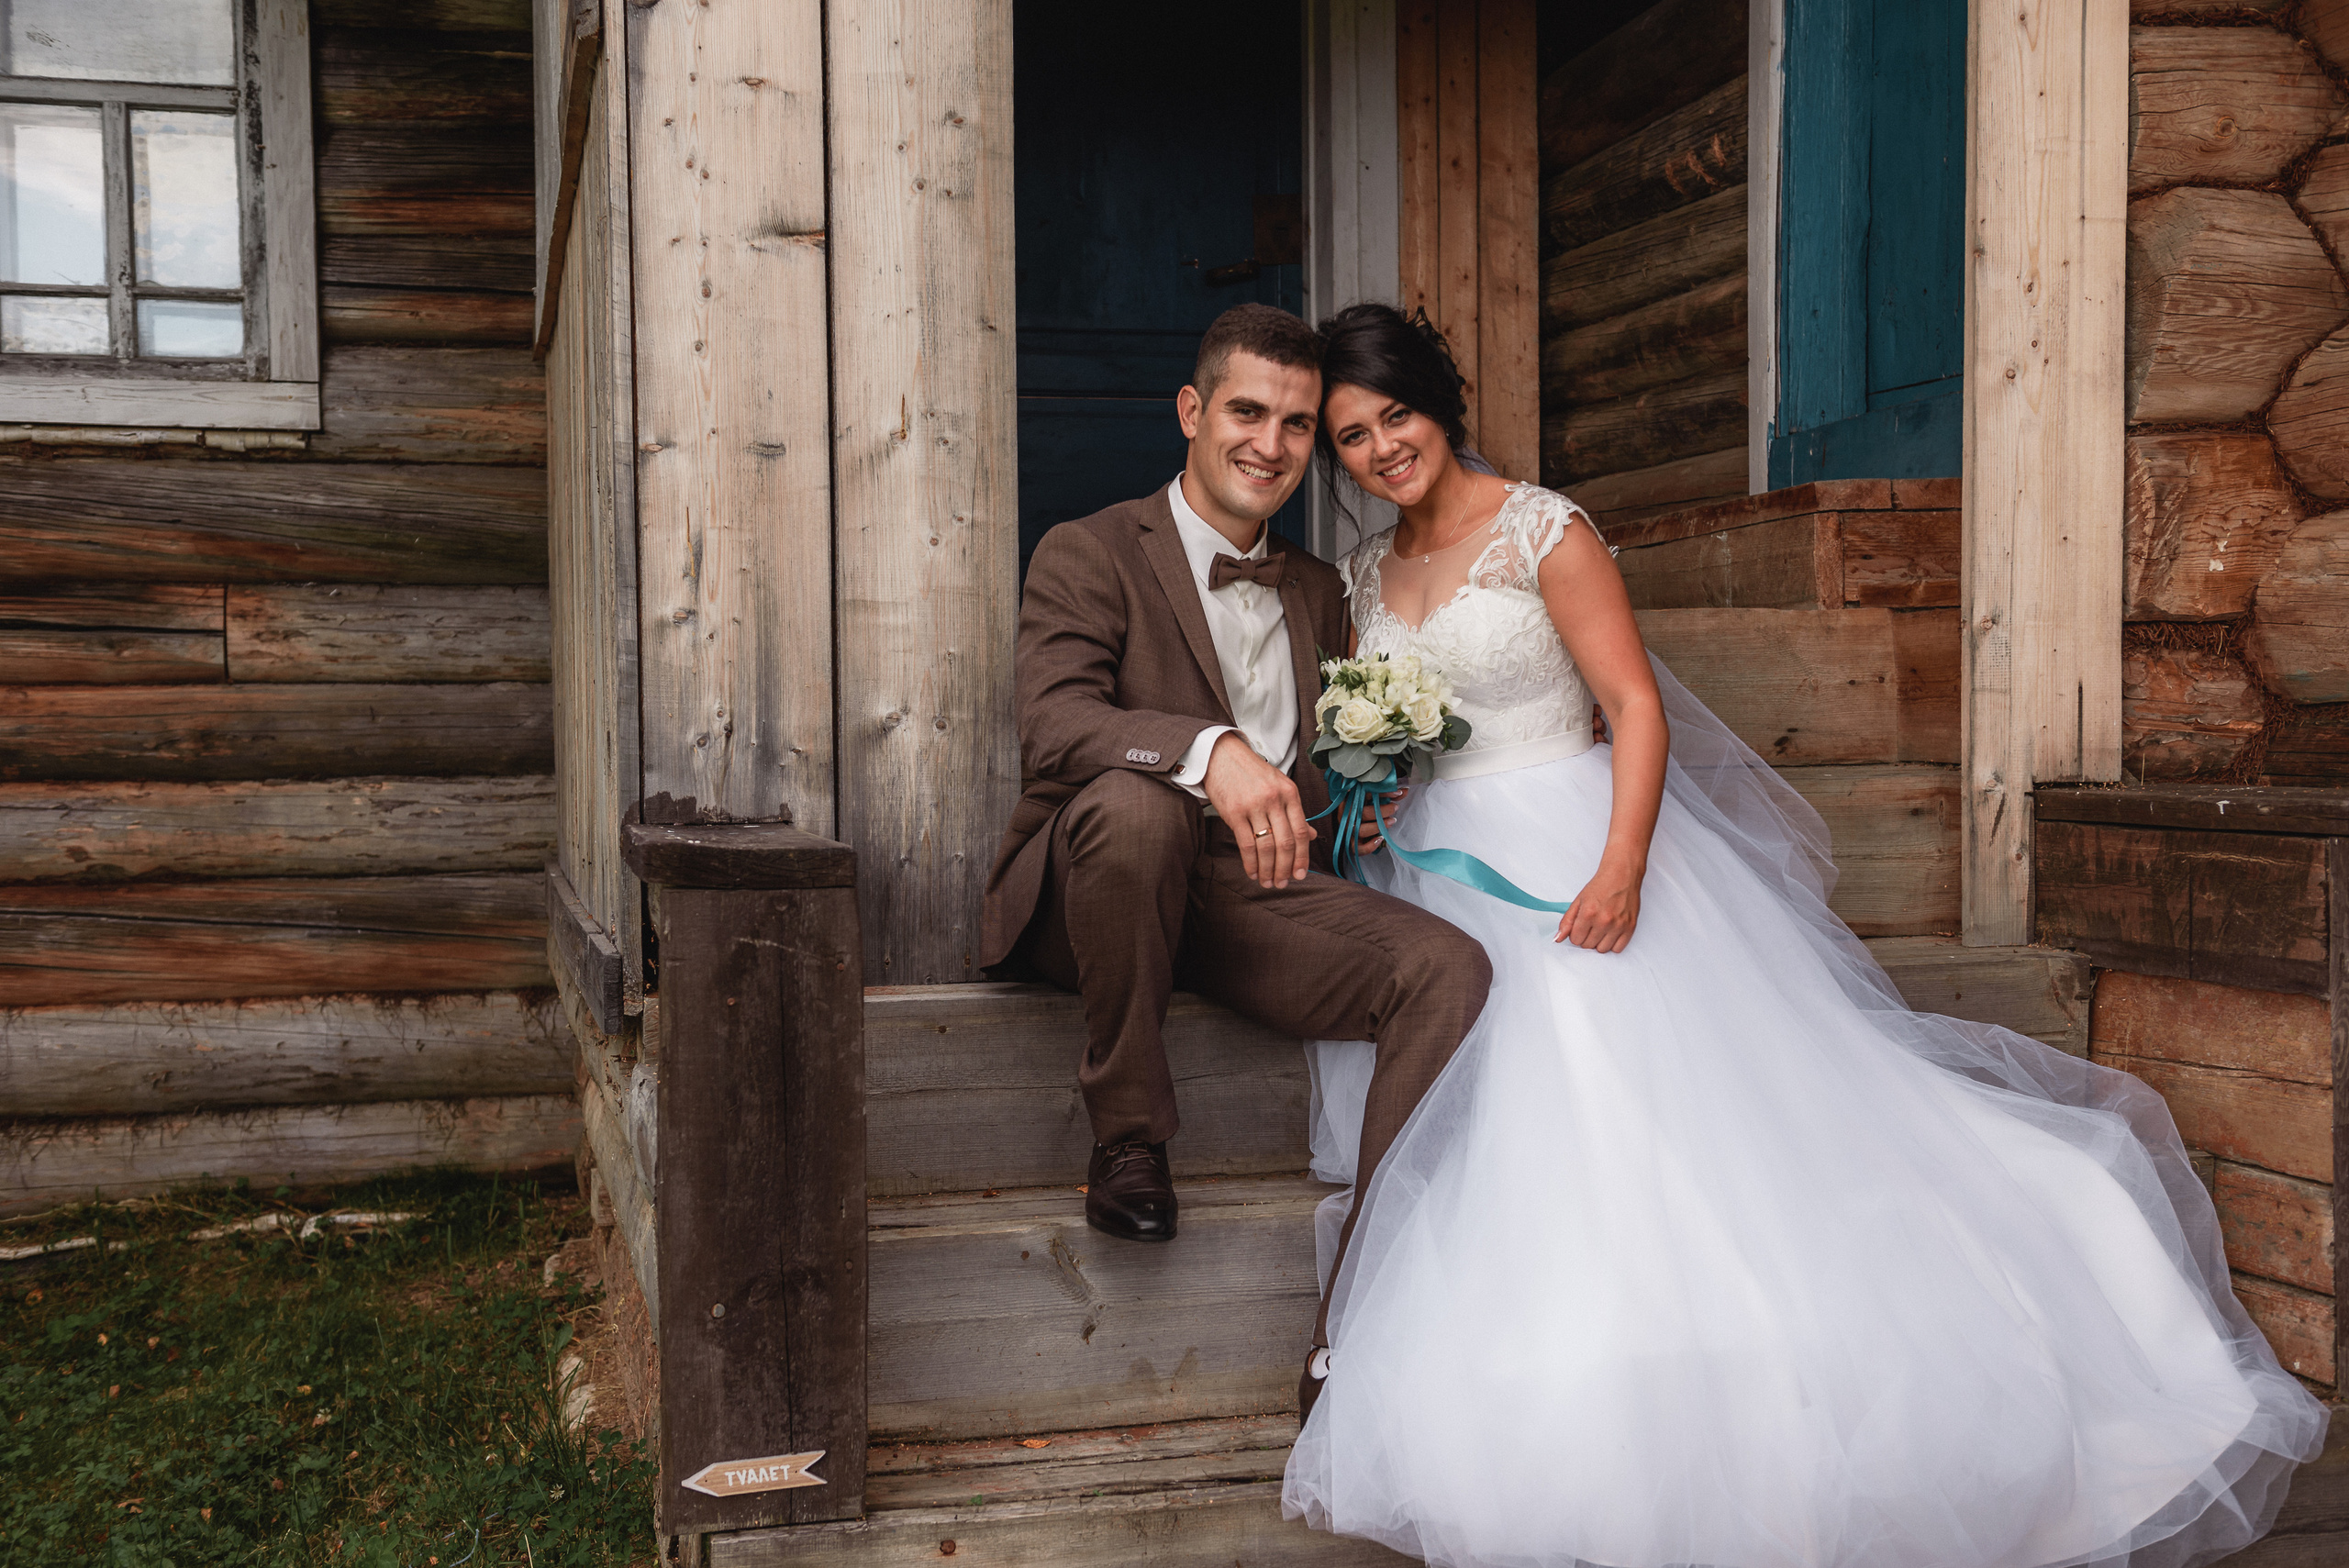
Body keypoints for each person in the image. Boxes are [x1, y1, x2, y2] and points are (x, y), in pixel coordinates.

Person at [1280, 302, 2331, 1568]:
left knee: (1614, 1094)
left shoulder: (1542, 529)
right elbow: (1400, 729)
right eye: (1351, 437)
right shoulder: (1362, 576)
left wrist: (1621, 866)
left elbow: (1633, 706)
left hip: (1572, 847)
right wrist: (1383, 787)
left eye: (1395, 415)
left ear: (1439, 404)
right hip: (1438, 877)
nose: (1381, 448)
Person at [977, 303, 1491, 1395]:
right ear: (1191, 411)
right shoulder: (1089, 549)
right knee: (1139, 808)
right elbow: (1055, 723)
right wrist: (1206, 751)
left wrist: (1358, 801)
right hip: (1102, 887)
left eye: (1297, 424)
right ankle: (1127, 1137)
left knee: (1447, 964)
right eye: (1247, 413)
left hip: (1252, 894)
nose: (1270, 444)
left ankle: (1357, 1313)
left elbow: (1325, 763)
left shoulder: (1317, 586)